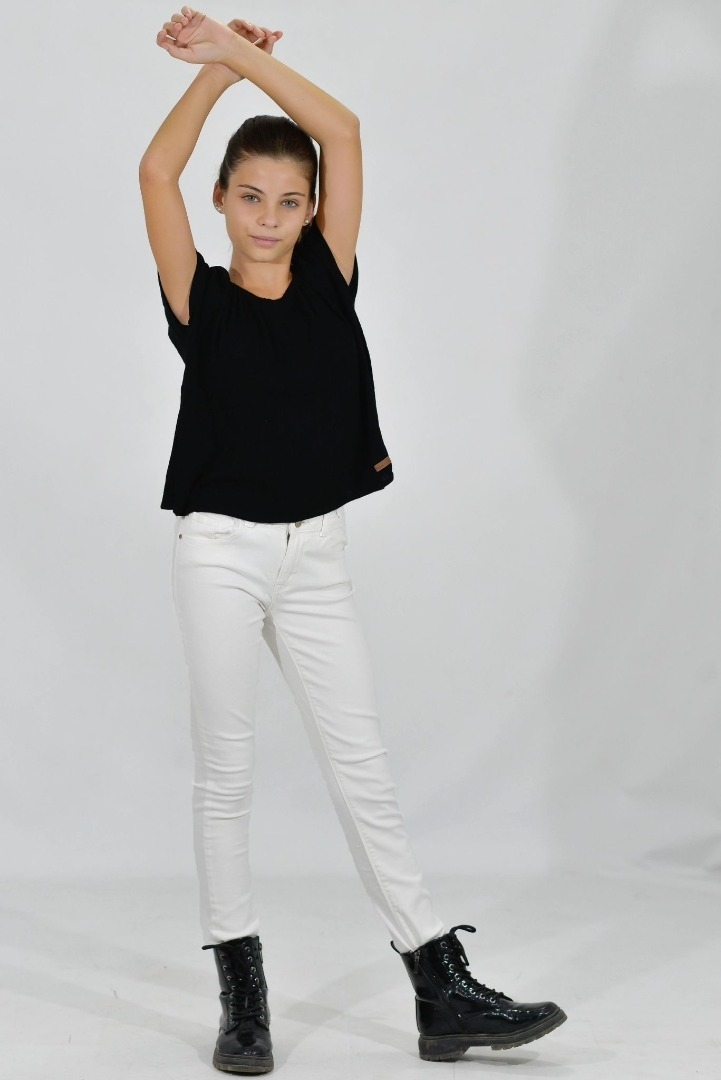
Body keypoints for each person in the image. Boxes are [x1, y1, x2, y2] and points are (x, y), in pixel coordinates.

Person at [139, 8, 567, 1074]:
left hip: (315, 556)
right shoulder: (200, 297)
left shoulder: (330, 274)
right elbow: (154, 170)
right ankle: (243, 998)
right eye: (250, 197)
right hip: (219, 553)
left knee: (361, 769)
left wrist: (245, 56)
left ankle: (438, 988)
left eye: (290, 200)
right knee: (226, 774)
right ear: (221, 201)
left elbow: (344, 131)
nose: (270, 217)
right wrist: (216, 76)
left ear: (314, 209)